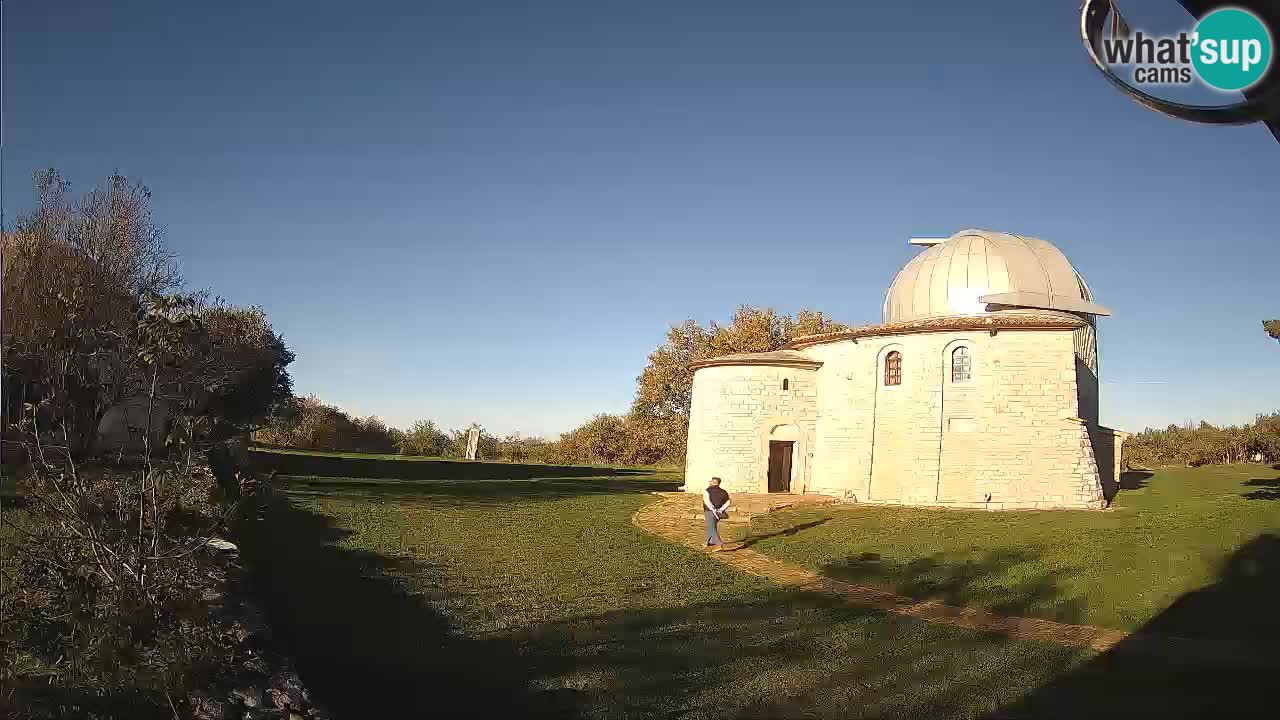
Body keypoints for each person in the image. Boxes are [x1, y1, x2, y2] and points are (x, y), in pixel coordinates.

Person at [702, 477, 731, 551]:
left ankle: (719, 543)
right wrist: (721, 510)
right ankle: (707, 542)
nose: (709, 482)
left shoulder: (707, 491)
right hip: (719, 513)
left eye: (711, 481)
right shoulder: (724, 492)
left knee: (711, 527)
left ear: (714, 482)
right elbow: (728, 502)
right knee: (711, 526)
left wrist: (713, 510)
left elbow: (707, 502)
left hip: (709, 511)